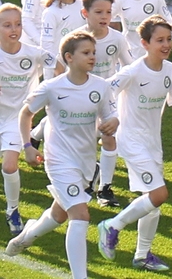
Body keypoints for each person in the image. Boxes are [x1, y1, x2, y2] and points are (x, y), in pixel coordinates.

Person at [97, 16, 172, 271]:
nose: (166, 44)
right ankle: (112, 225)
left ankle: (142, 255)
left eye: (169, 39)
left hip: (152, 143)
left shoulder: (169, 70)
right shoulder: (134, 71)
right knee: (159, 194)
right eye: (160, 40)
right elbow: (105, 92)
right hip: (131, 140)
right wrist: (111, 119)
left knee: (152, 203)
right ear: (145, 43)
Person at [7, 31, 118, 279]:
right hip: (58, 161)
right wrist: (27, 146)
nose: (92, 57)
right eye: (86, 53)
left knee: (59, 214)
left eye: (93, 52)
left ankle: (27, 235)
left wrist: (113, 123)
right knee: (80, 215)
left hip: (86, 162)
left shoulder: (101, 86)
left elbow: (109, 115)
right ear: (69, 57)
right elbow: (26, 114)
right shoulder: (52, 88)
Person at [0, 4, 51, 235]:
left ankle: (12, 209)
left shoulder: (33, 53)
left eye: (18, 24)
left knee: (10, 166)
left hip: (15, 119)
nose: (14, 29)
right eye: (7, 25)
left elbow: (58, 66)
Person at [80, 0, 133, 209]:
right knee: (84, 141)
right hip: (82, 98)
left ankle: (105, 187)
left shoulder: (117, 38)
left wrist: (115, 88)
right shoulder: (76, 39)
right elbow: (63, 68)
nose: (104, 17)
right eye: (99, 12)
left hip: (107, 99)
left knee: (109, 138)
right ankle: (85, 177)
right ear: (85, 13)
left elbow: (129, 66)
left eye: (108, 12)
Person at [40, 0, 85, 67]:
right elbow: (46, 45)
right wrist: (55, 66)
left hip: (79, 69)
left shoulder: (83, 6)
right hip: (58, 72)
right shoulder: (51, 13)